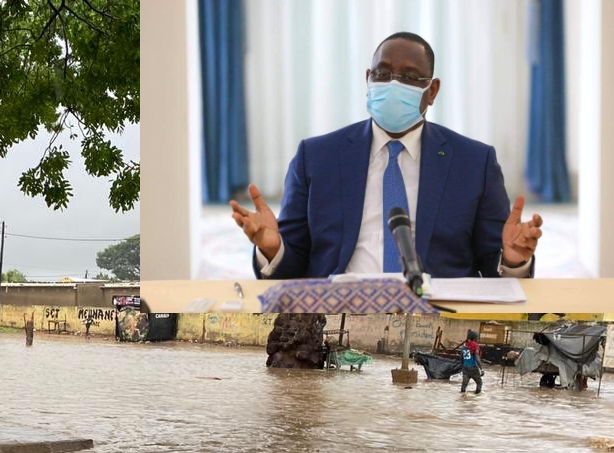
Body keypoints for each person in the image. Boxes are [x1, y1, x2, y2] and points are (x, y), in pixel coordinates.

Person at [231, 32, 543, 280]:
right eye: (382, 73)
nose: (393, 84)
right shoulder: (316, 157)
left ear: (432, 91)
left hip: (436, 304)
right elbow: (294, 264)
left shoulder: (474, 162)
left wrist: (513, 259)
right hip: (340, 302)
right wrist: (273, 249)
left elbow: (493, 264)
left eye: (409, 77)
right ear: (368, 79)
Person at [460, 329, 483, 395]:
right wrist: (481, 369)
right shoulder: (475, 345)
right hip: (473, 368)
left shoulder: (464, 346)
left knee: (464, 385)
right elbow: (477, 358)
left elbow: (461, 358)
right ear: (475, 338)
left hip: (465, 368)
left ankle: (462, 397)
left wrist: (462, 367)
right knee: (479, 383)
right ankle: (476, 398)